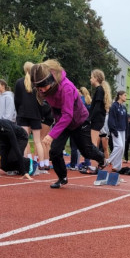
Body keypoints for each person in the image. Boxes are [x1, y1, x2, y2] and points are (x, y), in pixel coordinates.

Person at [28, 60, 106, 188]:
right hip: (63, 122)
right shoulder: (45, 88)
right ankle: (62, 177)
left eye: (43, 87)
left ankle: (101, 158)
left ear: (50, 81)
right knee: (55, 151)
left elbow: (68, 115)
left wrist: (52, 134)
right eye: (39, 88)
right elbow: (55, 108)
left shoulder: (66, 88)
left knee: (86, 151)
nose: (41, 90)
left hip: (78, 121)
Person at [14, 61, 45, 166]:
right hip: (35, 114)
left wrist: (19, 112)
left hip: (23, 114)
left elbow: (17, 100)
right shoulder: (38, 83)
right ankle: (41, 165)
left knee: (25, 140)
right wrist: (40, 114)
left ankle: (28, 164)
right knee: (37, 141)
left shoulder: (19, 82)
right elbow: (41, 101)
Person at [104, 90, 128, 171]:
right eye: (125, 95)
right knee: (119, 146)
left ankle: (117, 167)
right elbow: (111, 119)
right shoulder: (114, 106)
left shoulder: (124, 108)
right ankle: (108, 161)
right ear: (120, 96)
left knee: (122, 149)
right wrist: (113, 130)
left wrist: (126, 132)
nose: (126, 97)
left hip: (123, 130)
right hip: (116, 130)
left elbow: (125, 121)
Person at [88, 68, 112, 148]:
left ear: (96, 78)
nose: (90, 79)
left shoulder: (99, 90)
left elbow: (97, 107)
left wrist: (90, 118)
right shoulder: (99, 90)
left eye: (91, 77)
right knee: (93, 142)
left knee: (93, 143)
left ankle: (99, 159)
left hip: (97, 120)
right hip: (98, 119)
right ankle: (98, 159)